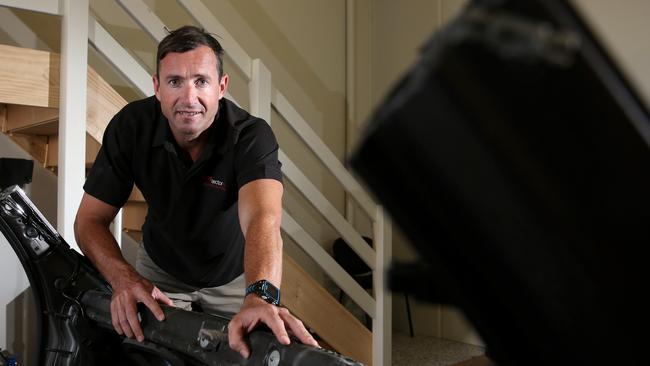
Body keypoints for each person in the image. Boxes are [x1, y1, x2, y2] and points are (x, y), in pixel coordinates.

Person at [74, 25, 318, 359]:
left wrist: (261, 295)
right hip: (160, 273)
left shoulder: (251, 136)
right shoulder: (131, 126)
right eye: (175, 82)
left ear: (222, 87)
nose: (189, 99)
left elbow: (264, 217)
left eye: (201, 81)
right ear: (157, 87)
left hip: (233, 278)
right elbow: (89, 221)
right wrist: (123, 280)